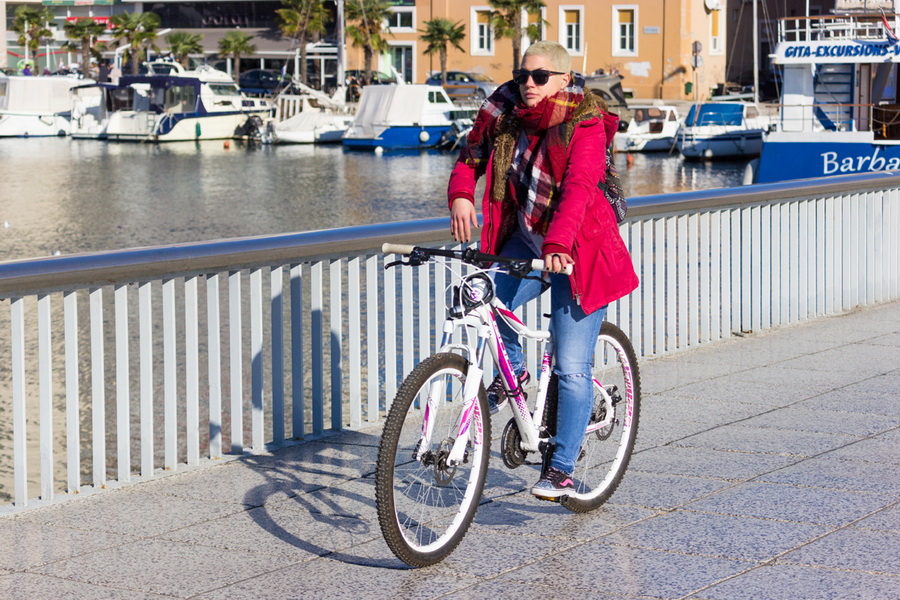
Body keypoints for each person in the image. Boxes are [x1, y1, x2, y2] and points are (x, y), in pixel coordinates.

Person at [447, 40, 639, 499]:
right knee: (487, 301)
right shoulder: (504, 110)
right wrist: (459, 194)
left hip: (579, 250)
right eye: (522, 75)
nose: (527, 85)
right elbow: (470, 154)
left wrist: (557, 243)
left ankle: (563, 467)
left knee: (572, 364)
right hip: (529, 239)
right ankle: (515, 374)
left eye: (539, 77)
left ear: (565, 79)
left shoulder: (586, 122)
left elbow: (577, 186)